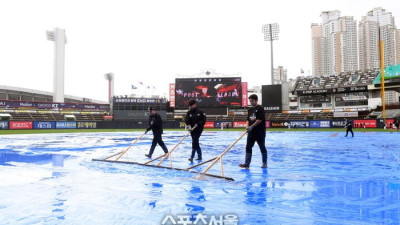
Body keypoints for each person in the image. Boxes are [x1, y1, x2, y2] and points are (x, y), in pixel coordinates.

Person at [239, 94, 268, 169]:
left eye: (252, 101)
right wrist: (247, 127)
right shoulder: (250, 110)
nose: (251, 102)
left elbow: (260, 120)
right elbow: (248, 120)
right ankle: (247, 164)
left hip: (260, 132)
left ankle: (264, 163)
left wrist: (252, 126)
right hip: (251, 133)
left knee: (262, 147)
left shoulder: (261, 108)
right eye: (250, 101)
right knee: (248, 147)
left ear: (256, 100)